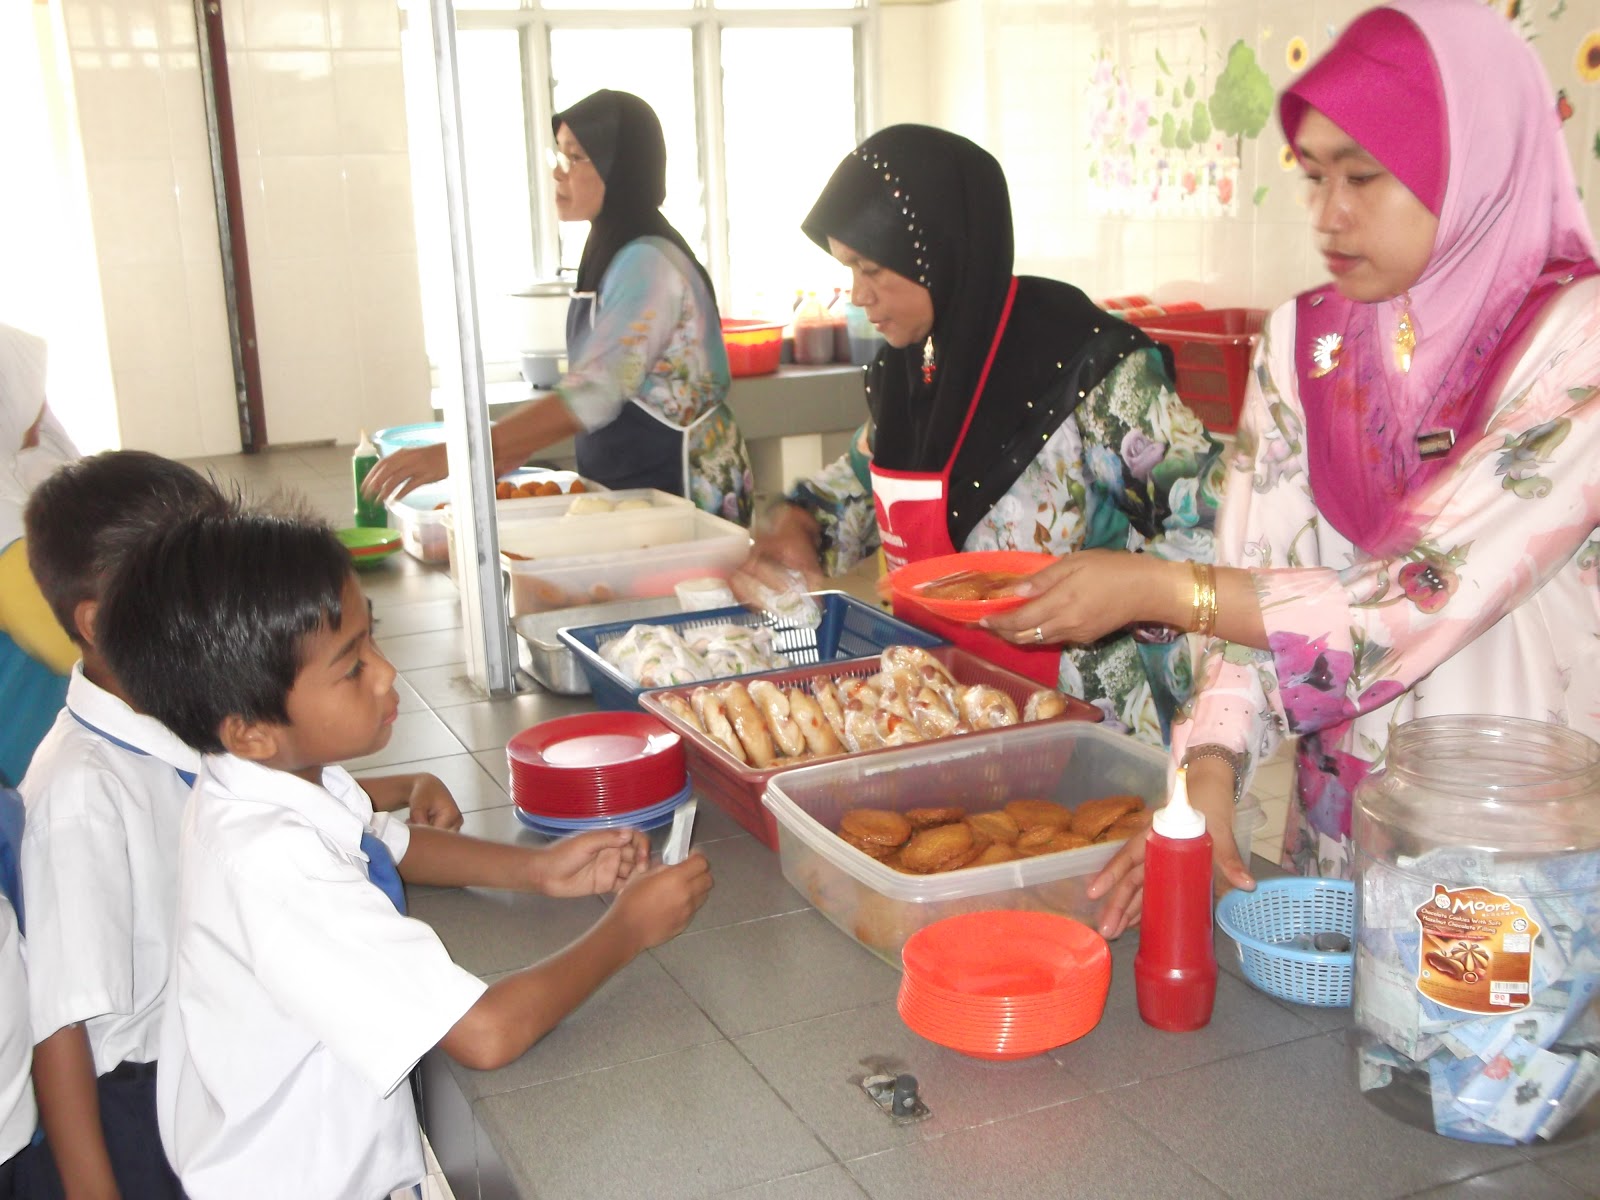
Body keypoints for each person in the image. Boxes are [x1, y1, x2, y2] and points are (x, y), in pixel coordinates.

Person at [1015, 0, 1600, 936]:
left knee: (1481, 1062)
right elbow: (1257, 578)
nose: (1330, 214)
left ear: (1477, 165)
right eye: (1315, 176)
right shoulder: (1308, 337)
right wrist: (1208, 772)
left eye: (1364, 177)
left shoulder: (1575, 346)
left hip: (1509, 823)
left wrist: (1162, 589)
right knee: (1327, 1055)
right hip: (1342, 813)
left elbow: (1413, 594)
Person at [94, 508, 713, 1199]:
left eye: (373, 639)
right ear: (251, 730)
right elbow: (486, 1034)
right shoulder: (275, 867)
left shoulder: (271, 780)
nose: (387, 674)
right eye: (353, 665)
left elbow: (390, 839)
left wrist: (536, 870)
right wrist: (628, 926)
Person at [16, 453, 468, 1200]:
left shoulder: (179, 717)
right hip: (142, 1112)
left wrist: (398, 787)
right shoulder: (79, 797)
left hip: (227, 1061)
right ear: (98, 621)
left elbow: (259, 794)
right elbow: (60, 1029)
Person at [735, 125, 1223, 744]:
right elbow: (865, 487)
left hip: (1089, 727)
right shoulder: (912, 367)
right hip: (938, 712)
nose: (859, 296)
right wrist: (798, 525)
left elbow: (1220, 528)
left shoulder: (1088, 366)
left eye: (872, 269)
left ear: (937, 255)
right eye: (848, 269)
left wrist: (1131, 590)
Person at [363, 89, 754, 525]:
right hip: (634, 486)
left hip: (684, 491)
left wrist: (473, 449)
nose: (557, 172)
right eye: (559, 156)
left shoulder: (648, 262)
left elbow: (595, 390)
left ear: (619, 168)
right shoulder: (611, 246)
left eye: (574, 158)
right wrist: (507, 449)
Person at [0, 323, 77, 788]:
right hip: (23, 762)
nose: (44, 409)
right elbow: (75, 648)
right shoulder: (9, 540)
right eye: (32, 392)